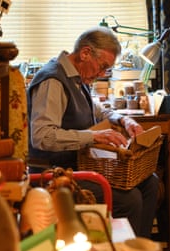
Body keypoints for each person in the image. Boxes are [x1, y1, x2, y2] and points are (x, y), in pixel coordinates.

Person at [27, 26, 159, 238]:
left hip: (79, 164)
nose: (101, 74)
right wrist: (93, 136)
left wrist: (124, 119)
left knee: (150, 182)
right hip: (55, 173)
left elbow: (99, 109)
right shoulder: (53, 81)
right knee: (129, 199)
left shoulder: (78, 78)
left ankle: (139, 250)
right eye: (102, 66)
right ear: (85, 53)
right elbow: (42, 136)